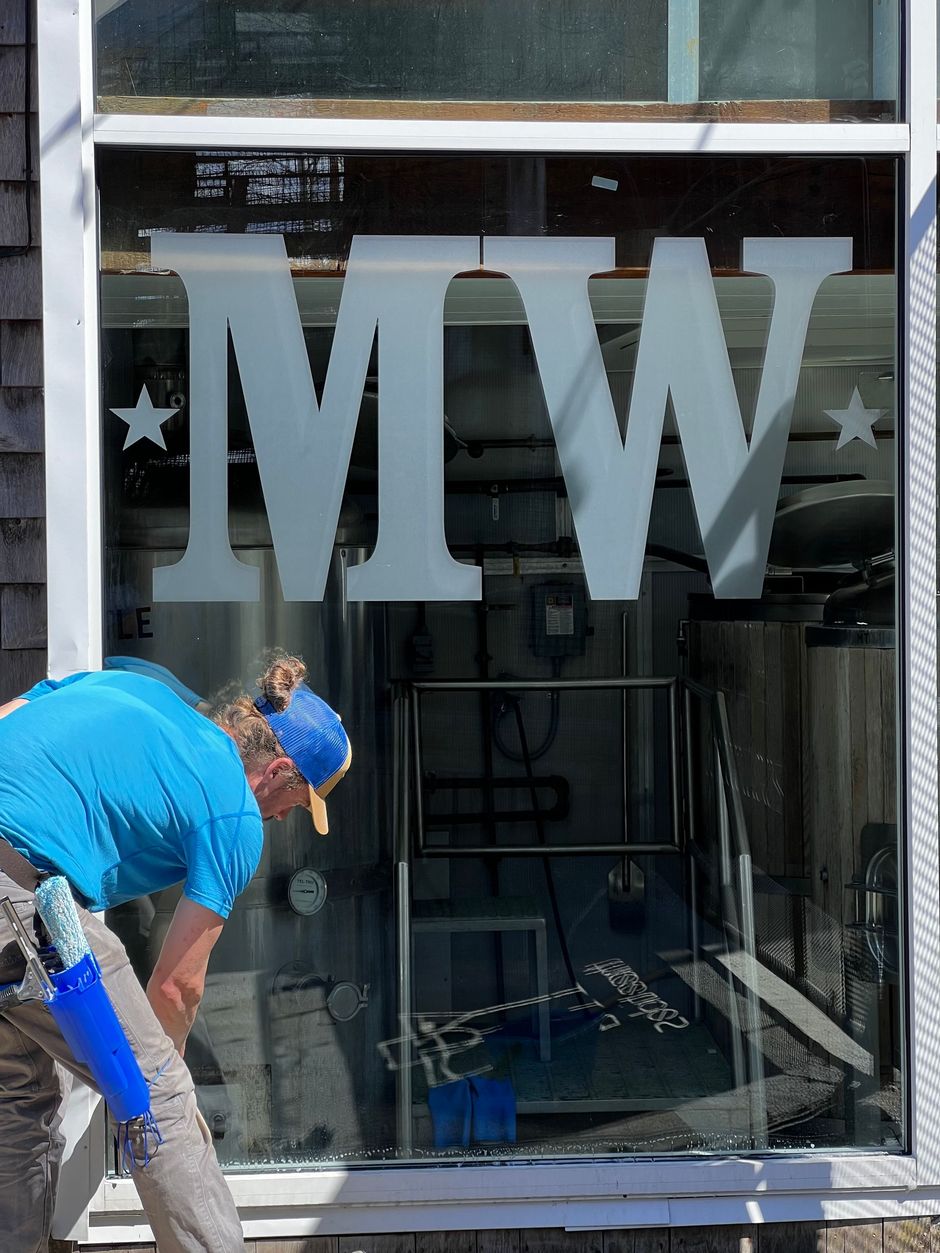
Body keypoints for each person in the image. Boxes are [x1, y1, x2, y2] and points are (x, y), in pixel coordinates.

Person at [0, 653, 351, 1253]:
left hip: (15, 894)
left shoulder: (132, 687)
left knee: (19, 1094)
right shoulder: (236, 811)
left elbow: (10, 715)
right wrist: (155, 1070)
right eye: (297, 801)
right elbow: (175, 988)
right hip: (17, 893)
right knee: (160, 1096)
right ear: (278, 769)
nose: (286, 815)